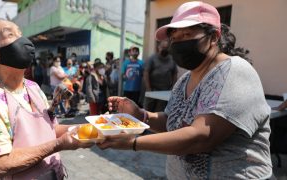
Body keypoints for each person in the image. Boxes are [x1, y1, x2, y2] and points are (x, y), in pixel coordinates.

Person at [98, 1, 272, 179]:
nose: (179, 43)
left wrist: (134, 142)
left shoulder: (235, 71)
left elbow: (201, 137)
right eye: (175, 38)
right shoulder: (185, 79)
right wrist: (140, 115)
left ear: (214, 37)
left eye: (187, 34)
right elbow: (173, 121)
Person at [0, 18, 91, 179]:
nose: (25, 41)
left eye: (20, 33)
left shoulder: (32, 87)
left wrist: (94, 127)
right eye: (11, 34)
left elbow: (51, 129)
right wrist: (60, 145)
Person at [143, 40, 178, 112]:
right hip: (152, 89)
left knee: (160, 111)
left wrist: (173, 86)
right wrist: (148, 88)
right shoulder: (152, 58)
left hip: (165, 91)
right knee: (147, 110)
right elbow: (146, 73)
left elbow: (175, 73)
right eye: (163, 47)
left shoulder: (172, 59)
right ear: (158, 47)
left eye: (166, 47)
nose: (165, 49)